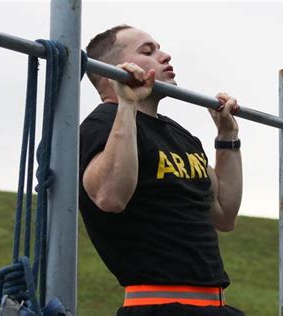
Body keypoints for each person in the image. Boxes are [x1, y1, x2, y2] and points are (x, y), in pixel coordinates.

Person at [79, 24, 244, 316]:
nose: (165, 56)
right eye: (148, 50)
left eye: (160, 48)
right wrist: (127, 105)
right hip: (158, 307)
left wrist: (227, 136)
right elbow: (110, 196)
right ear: (113, 72)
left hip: (215, 306)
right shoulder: (99, 125)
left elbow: (224, 215)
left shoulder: (178, 134)